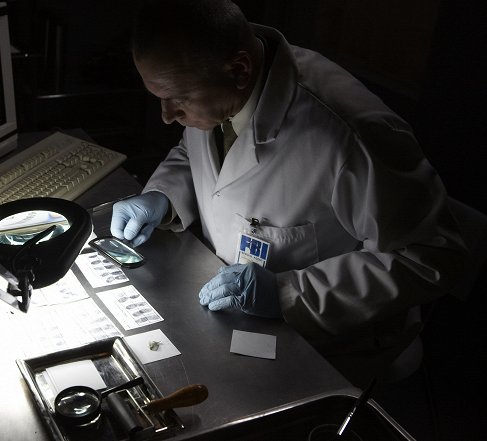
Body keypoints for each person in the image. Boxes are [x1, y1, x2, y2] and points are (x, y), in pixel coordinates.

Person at [110, 0, 467, 385]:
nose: (166, 115)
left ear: (240, 70)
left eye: (177, 98)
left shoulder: (349, 133)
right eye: (158, 97)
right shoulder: (217, 87)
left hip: (330, 346)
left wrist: (288, 294)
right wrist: (162, 196)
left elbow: (431, 256)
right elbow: (196, 151)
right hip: (231, 311)